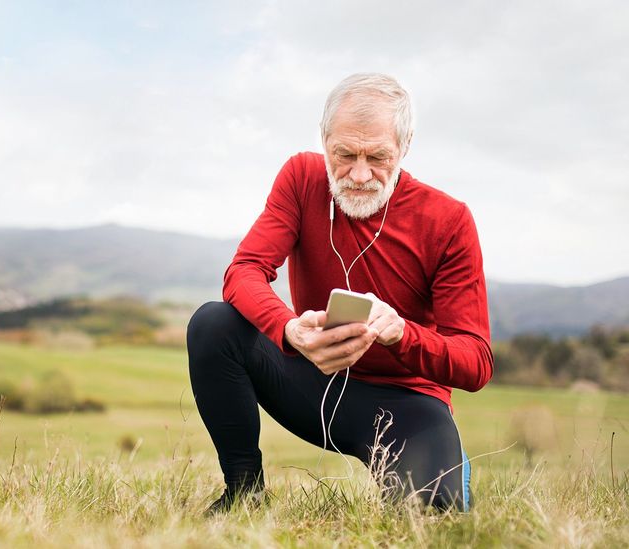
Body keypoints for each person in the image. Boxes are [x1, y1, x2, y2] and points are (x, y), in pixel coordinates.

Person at [187, 73, 493, 514]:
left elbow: (476, 363)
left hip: (404, 403)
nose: (359, 174)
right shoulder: (301, 177)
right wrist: (289, 329)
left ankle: (445, 463)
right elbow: (245, 271)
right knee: (213, 324)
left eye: (378, 157)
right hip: (310, 381)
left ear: (405, 147)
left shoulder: (448, 220)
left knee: (431, 516)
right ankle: (243, 492)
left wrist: (403, 334)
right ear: (324, 140)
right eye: (344, 154)